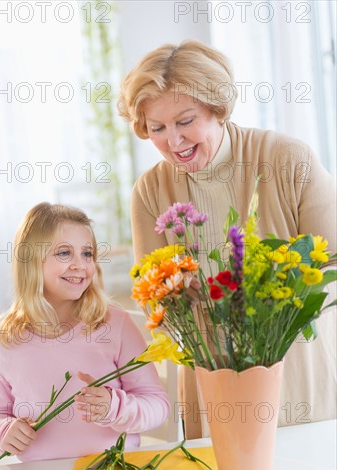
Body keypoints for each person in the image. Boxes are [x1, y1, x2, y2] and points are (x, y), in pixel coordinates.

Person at [118, 40, 337, 439]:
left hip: (294, 365)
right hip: (210, 374)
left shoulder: (288, 159)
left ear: (218, 109)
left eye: (186, 121)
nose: (174, 141)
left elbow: (333, 264)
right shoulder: (150, 191)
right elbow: (152, 291)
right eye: (157, 128)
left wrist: (274, 309)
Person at [0, 203, 170, 461]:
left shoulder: (115, 325)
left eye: (87, 253)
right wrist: (2, 432)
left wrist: (115, 407)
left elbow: (158, 405)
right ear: (31, 262)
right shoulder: (0, 340)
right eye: (65, 253)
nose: (81, 265)